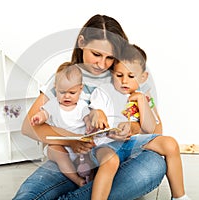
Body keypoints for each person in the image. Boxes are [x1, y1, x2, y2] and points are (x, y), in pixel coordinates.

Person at [13, 14, 166, 200]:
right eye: (96, 54)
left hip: (117, 160)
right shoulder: (66, 77)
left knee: (154, 164)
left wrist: (132, 129)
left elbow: (157, 131)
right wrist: (73, 141)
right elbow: (29, 127)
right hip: (73, 161)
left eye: (110, 58)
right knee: (28, 196)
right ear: (82, 42)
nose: (102, 64)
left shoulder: (127, 78)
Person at [89, 43, 190, 200]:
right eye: (119, 75)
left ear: (143, 77)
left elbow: (150, 129)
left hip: (133, 142)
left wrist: (142, 101)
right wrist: (101, 118)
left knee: (170, 144)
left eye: (131, 76)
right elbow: (96, 115)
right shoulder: (103, 92)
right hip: (106, 144)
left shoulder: (143, 96)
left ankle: (180, 197)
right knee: (111, 160)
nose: (124, 81)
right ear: (111, 73)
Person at [30, 62, 92, 187]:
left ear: (80, 89)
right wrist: (38, 117)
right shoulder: (54, 105)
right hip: (60, 145)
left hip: (80, 146)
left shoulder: (82, 106)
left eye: (72, 92)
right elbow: (44, 113)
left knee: (90, 152)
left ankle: (88, 175)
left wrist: (90, 126)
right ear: (55, 88)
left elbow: (88, 119)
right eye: (62, 92)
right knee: (56, 151)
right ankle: (76, 179)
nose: (67, 96)